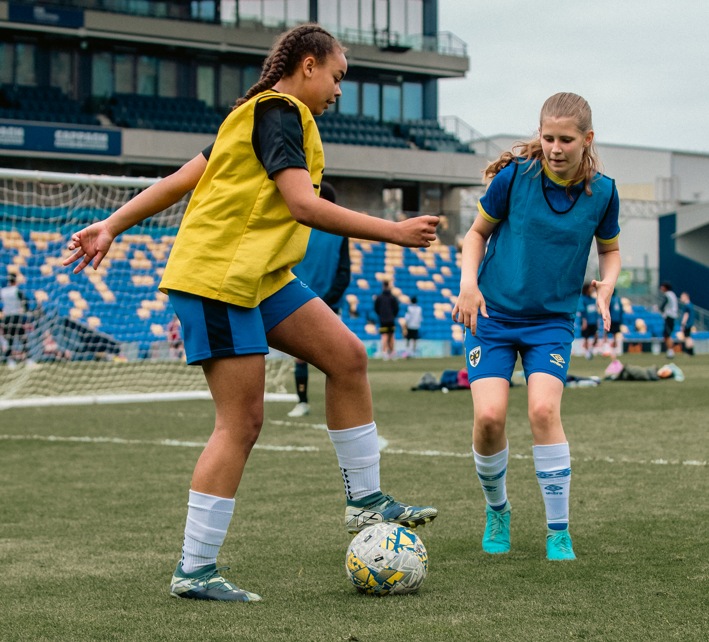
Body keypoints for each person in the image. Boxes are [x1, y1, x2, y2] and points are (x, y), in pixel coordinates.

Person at [64, 23, 439, 603]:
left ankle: (366, 501)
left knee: (347, 357)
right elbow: (302, 205)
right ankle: (194, 570)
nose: (339, 90)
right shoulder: (281, 112)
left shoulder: (255, 116)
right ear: (308, 65)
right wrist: (393, 230)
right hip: (219, 278)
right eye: (337, 76)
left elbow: (179, 181)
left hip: (261, 277)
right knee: (241, 422)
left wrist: (111, 225)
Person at [453, 92, 620, 561]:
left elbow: (609, 250)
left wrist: (607, 283)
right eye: (548, 138)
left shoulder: (604, 192)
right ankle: (498, 511)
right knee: (489, 418)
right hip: (492, 316)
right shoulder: (515, 177)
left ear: (587, 139)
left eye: (566, 139)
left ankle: (558, 531)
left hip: (551, 322)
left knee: (544, 411)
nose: (555, 148)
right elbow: (476, 234)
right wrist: (468, 284)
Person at [287, 181, 351, 417]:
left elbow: (344, 273)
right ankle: (303, 402)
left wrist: (326, 299)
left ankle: (328, 404)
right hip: (303, 300)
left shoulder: (337, 231)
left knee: (334, 358)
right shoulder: (296, 225)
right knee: (303, 356)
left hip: (317, 302)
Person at [1, 274, 32, 369]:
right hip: (16, 317)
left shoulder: (3, 291)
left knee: (9, 340)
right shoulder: (16, 290)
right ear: (15, 281)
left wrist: (2, 311)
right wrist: (25, 310)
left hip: (7, 318)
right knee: (23, 338)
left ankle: (10, 361)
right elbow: (25, 301)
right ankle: (28, 359)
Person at [374, 281, 399, 360]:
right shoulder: (393, 297)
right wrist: (393, 316)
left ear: (383, 286)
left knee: (384, 336)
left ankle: (385, 353)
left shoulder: (379, 297)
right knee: (391, 336)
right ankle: (392, 352)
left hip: (383, 320)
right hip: (391, 319)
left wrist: (381, 315)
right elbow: (396, 308)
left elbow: (376, 308)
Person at [577, 283, 598, 359]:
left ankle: (591, 350)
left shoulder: (593, 299)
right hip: (586, 322)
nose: (592, 289)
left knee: (596, 337)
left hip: (593, 321)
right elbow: (582, 311)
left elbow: (595, 311)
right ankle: (587, 353)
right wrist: (584, 322)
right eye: (590, 288)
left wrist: (597, 321)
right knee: (586, 338)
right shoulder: (582, 298)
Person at [659, 282, 679, 359]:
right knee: (667, 335)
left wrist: (660, 309)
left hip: (669, 317)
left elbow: (664, 304)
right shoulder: (673, 294)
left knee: (667, 336)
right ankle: (670, 352)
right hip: (672, 317)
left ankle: (670, 353)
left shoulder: (668, 294)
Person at [604, 288, 623, 357]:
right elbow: (621, 311)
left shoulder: (609, 299)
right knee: (614, 335)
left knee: (605, 334)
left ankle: (606, 350)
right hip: (617, 319)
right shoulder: (619, 299)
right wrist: (620, 320)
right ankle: (614, 352)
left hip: (610, 319)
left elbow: (606, 309)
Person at [679, 292, 695, 356]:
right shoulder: (690, 305)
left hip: (687, 324)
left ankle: (689, 351)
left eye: (682, 297)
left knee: (687, 337)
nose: (681, 298)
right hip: (690, 323)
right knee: (689, 337)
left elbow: (686, 315)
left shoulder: (686, 306)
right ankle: (691, 351)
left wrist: (683, 323)